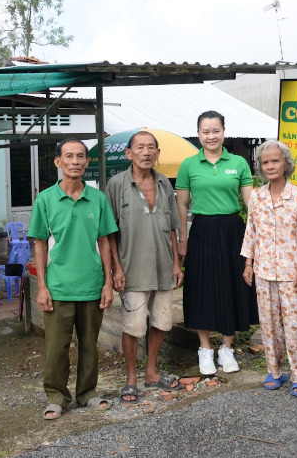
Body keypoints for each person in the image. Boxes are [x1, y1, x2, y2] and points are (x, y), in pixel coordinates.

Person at [29, 138, 119, 420]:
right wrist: (42, 287)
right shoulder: (45, 199)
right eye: (69, 156)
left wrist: (108, 282)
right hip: (58, 287)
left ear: (87, 162)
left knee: (90, 346)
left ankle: (87, 393)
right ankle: (56, 396)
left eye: (81, 156)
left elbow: (104, 241)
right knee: (56, 348)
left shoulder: (98, 198)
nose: (76, 161)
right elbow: (40, 245)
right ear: (58, 162)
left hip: (91, 285)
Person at [176, 110, 258, 375]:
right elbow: (182, 204)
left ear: (224, 131)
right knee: (201, 287)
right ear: (198, 133)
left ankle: (226, 348)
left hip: (233, 230)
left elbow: (252, 205)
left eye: (215, 130)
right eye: (205, 131)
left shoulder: (238, 163)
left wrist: (258, 238)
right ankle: (205, 349)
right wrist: (183, 240)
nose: (211, 136)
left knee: (232, 286)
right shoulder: (188, 164)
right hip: (201, 231)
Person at [106, 131, 183, 403]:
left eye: (151, 148)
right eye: (140, 148)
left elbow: (173, 227)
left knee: (161, 322)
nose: (146, 152)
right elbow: (109, 231)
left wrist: (176, 263)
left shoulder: (164, 184)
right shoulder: (116, 184)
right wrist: (116, 269)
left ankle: (151, 373)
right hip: (132, 269)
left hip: (163, 268)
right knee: (133, 326)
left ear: (158, 153)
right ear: (129, 153)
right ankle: (130, 380)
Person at [241, 140, 297, 397]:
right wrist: (248, 264)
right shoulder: (258, 197)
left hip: (292, 273)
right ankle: (275, 371)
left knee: (295, 326)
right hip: (263, 271)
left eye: (275, 160)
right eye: (265, 162)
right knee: (269, 326)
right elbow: (251, 231)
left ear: (286, 164)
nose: (270, 166)